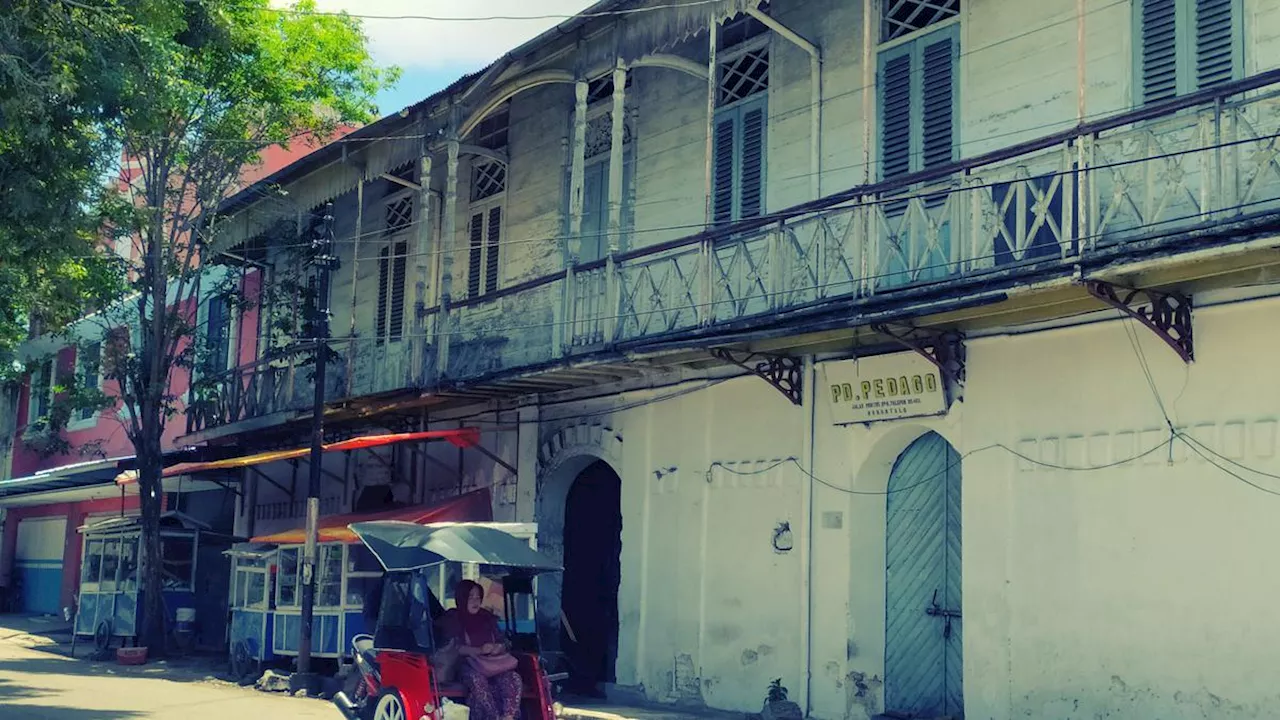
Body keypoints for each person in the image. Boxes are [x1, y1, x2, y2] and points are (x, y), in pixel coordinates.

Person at [442, 579, 522, 720]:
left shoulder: (487, 617)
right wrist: (479, 650)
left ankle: (509, 717)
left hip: (493, 664)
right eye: (470, 597)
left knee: (513, 679)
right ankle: (494, 717)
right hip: (467, 665)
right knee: (477, 681)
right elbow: (455, 647)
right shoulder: (453, 618)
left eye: (478, 597)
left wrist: (499, 647)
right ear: (462, 598)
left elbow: (504, 641)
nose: (475, 601)